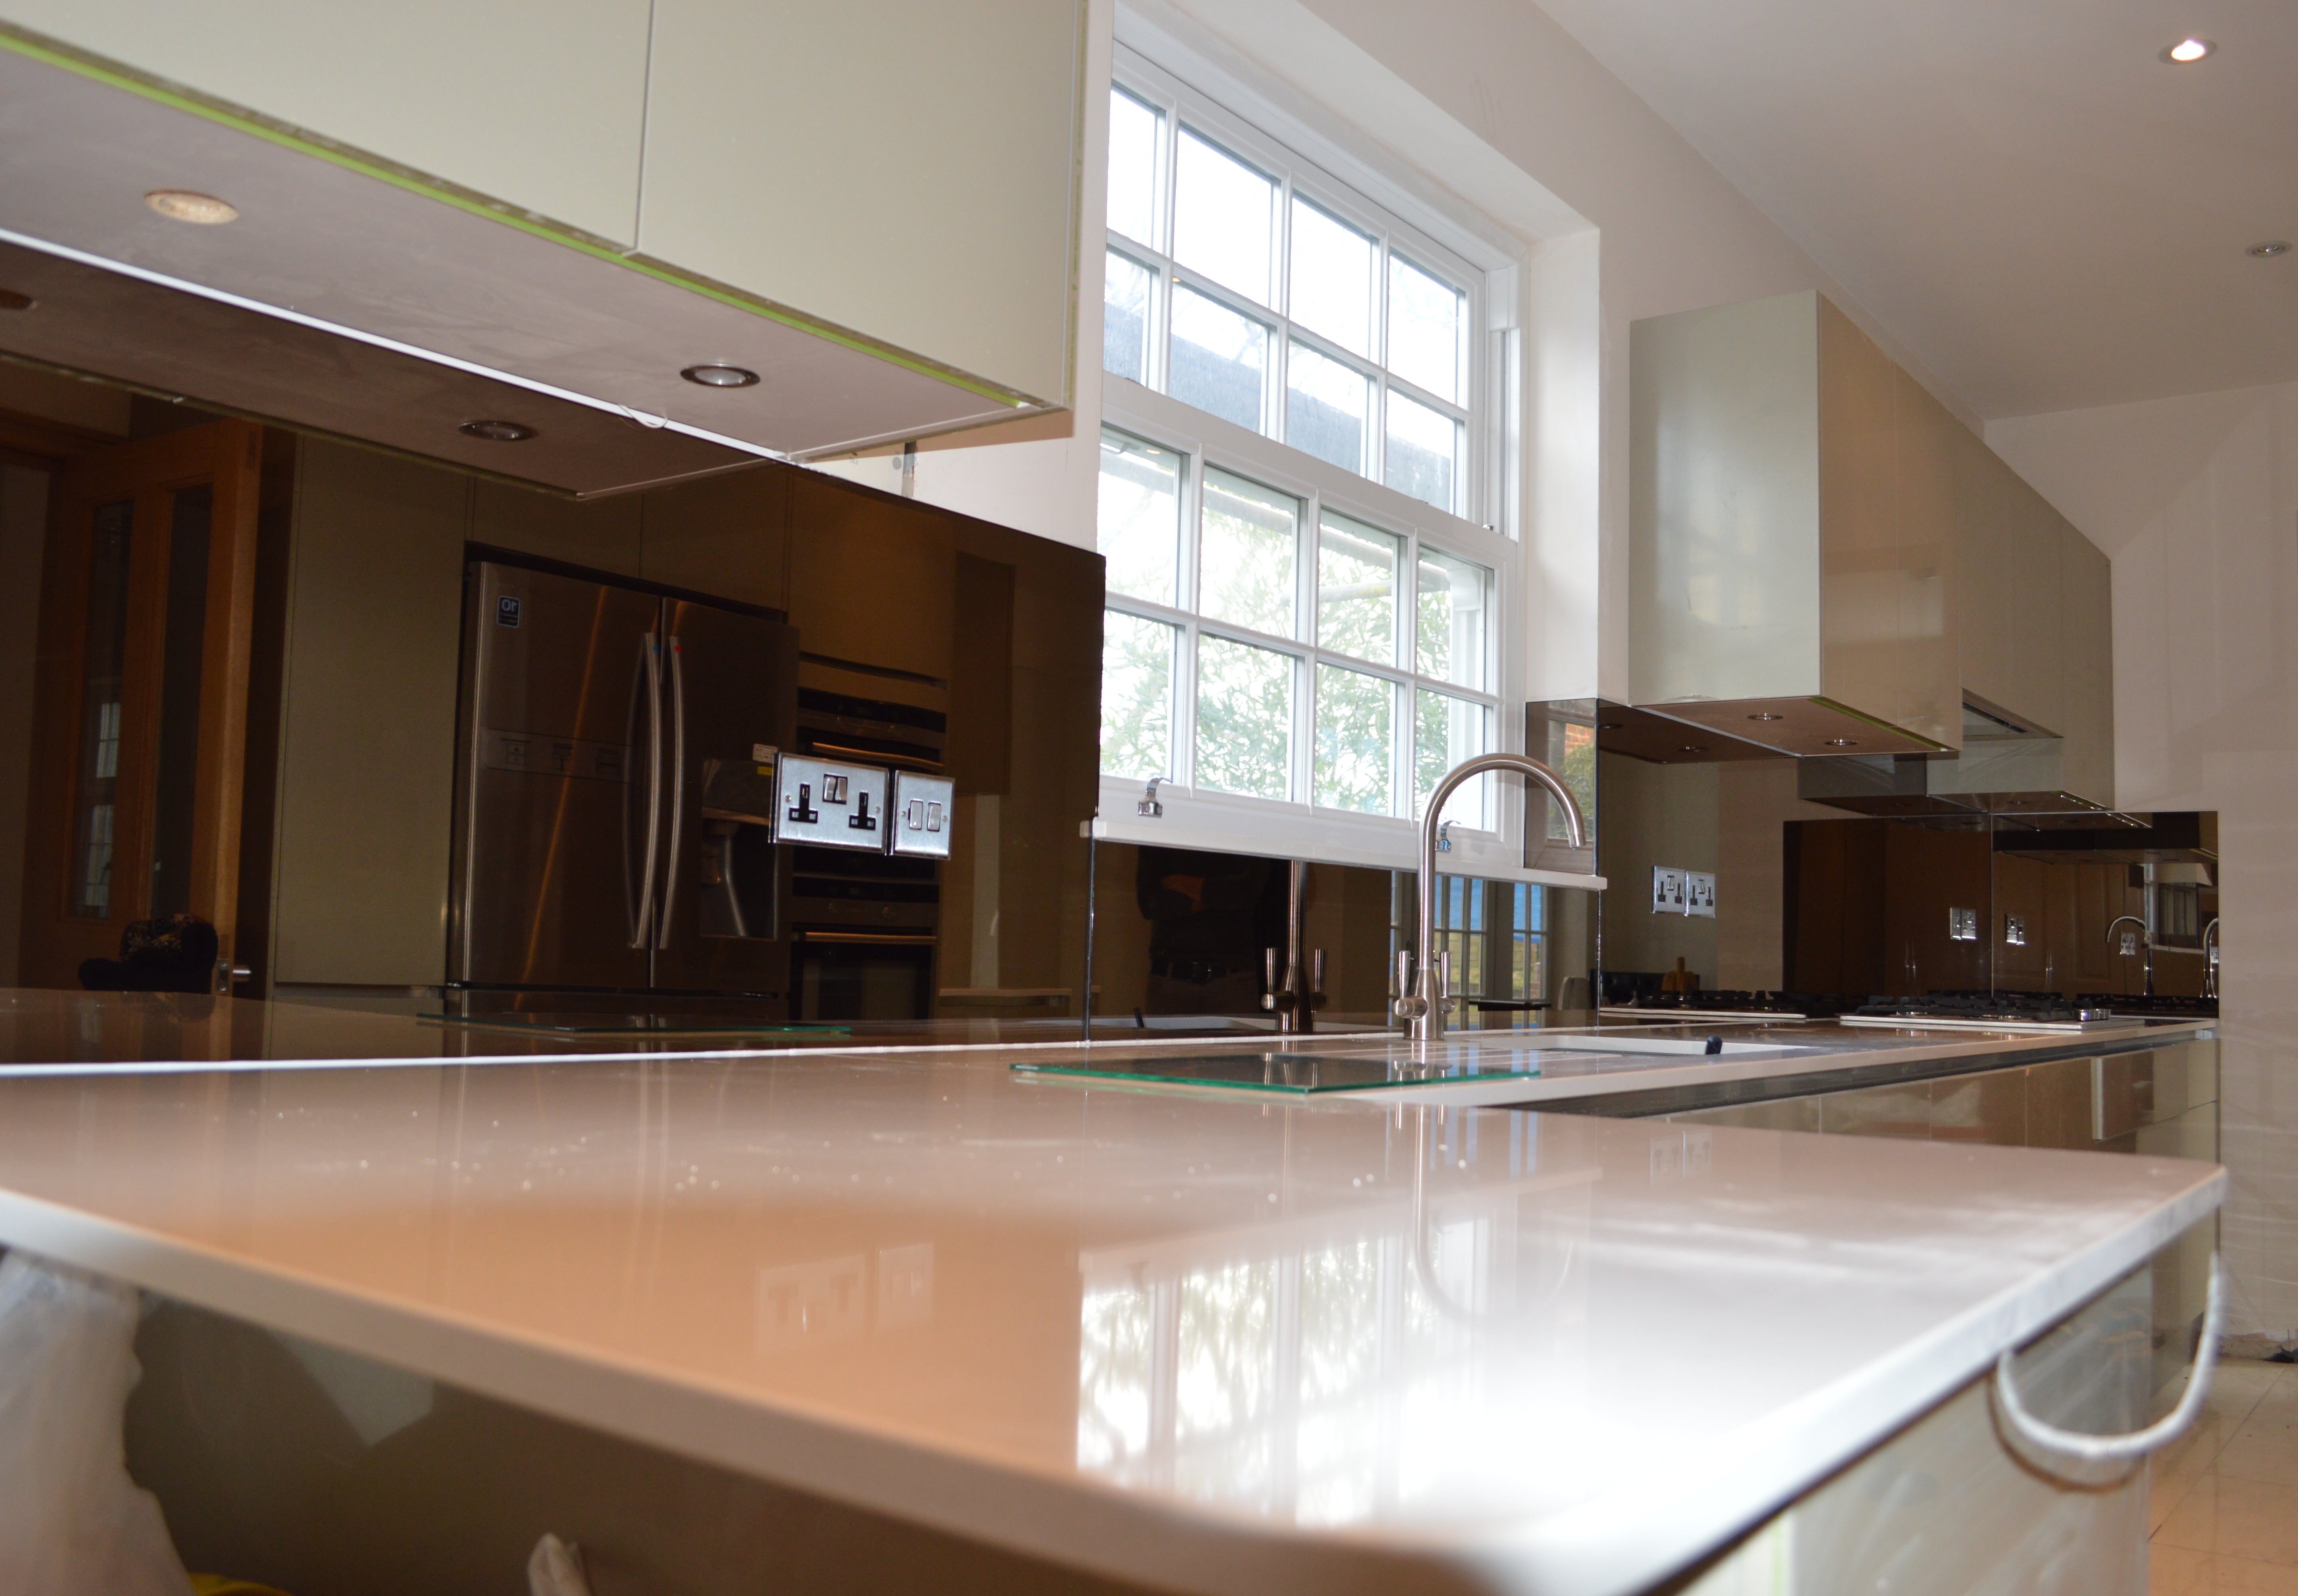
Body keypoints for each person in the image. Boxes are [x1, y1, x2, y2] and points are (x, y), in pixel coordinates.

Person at [1133, 847, 1289, 1016]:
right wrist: (1219, 895)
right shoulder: (1164, 828)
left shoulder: (1243, 827)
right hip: (1170, 977)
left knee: (1241, 1041)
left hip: (1232, 977)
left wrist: (1180, 883)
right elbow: (1150, 903)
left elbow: (1247, 891)